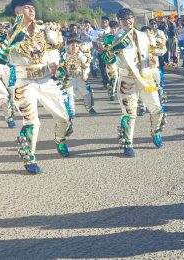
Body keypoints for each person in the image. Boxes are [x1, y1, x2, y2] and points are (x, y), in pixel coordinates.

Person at [0, 0, 73, 174]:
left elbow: (56, 53)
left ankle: (60, 140)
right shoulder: (7, 32)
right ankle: (29, 156)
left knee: (65, 117)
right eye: (27, 7)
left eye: (33, 8)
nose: (32, 10)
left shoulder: (43, 30)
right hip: (24, 81)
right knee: (32, 122)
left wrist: (57, 49)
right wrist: (11, 39)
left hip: (46, 79)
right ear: (17, 11)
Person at [101, 8, 167, 157]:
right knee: (130, 113)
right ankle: (128, 143)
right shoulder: (115, 39)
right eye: (123, 19)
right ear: (119, 21)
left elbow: (152, 52)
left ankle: (155, 132)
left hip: (145, 77)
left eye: (129, 18)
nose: (127, 22)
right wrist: (109, 58)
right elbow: (109, 60)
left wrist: (152, 59)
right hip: (127, 79)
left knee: (157, 108)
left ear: (133, 19)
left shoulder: (144, 35)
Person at [60, 35, 97, 117]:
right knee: (69, 94)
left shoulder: (81, 55)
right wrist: (62, 75)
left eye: (76, 46)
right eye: (72, 45)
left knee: (87, 93)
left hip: (80, 77)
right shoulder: (65, 55)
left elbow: (86, 66)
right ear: (68, 46)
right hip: (69, 78)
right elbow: (61, 67)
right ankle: (71, 110)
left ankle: (89, 107)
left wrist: (85, 75)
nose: (74, 47)